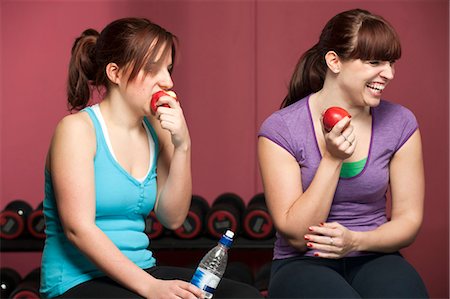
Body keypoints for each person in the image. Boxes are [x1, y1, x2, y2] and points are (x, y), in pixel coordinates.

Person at [40, 17, 262, 299]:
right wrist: (150, 287)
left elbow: (173, 217)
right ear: (115, 73)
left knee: (244, 297)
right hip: (76, 281)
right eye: (152, 68)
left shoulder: (156, 128)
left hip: (141, 271)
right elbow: (78, 229)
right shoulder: (77, 131)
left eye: (168, 69)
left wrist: (182, 145)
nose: (167, 82)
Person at [258, 8, 429, 298]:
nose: (388, 73)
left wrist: (355, 241)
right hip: (301, 261)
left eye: (390, 63)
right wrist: (333, 158)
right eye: (374, 62)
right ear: (334, 61)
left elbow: (408, 221)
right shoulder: (282, 129)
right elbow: (298, 237)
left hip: (372, 253)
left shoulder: (401, 123)